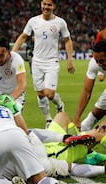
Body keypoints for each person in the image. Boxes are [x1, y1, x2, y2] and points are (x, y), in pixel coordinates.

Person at [12, 0, 75, 128]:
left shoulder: (60, 22)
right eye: (44, 4)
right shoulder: (33, 21)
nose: (46, 7)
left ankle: (59, 105)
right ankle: (48, 119)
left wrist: (70, 59)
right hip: (36, 62)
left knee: (49, 94)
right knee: (40, 93)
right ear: (41, 4)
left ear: (54, 6)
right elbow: (23, 36)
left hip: (52, 61)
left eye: (49, 5)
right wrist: (13, 52)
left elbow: (67, 40)